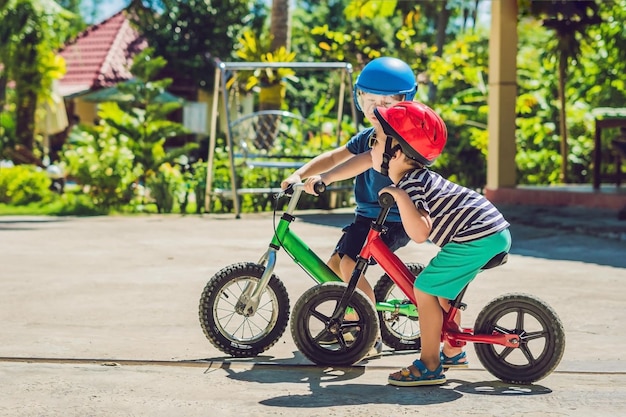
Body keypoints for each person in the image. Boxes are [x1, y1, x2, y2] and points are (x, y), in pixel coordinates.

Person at [316, 100, 511, 386]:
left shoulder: (412, 183)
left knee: (424, 286)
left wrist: (398, 196)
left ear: (396, 151)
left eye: (379, 140)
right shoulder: (415, 177)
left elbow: (420, 232)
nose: (373, 145)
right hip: (488, 233)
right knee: (441, 292)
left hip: (478, 236)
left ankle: (430, 364)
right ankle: (454, 350)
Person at [281, 57, 418, 357]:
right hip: (366, 219)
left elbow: (359, 163)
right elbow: (333, 157)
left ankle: (370, 334)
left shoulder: (399, 142)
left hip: (392, 220)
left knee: (348, 266)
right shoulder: (368, 136)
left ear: (405, 101)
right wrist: (299, 174)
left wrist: (327, 179)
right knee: (333, 268)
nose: (375, 109)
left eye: (385, 102)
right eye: (368, 101)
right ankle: (347, 322)